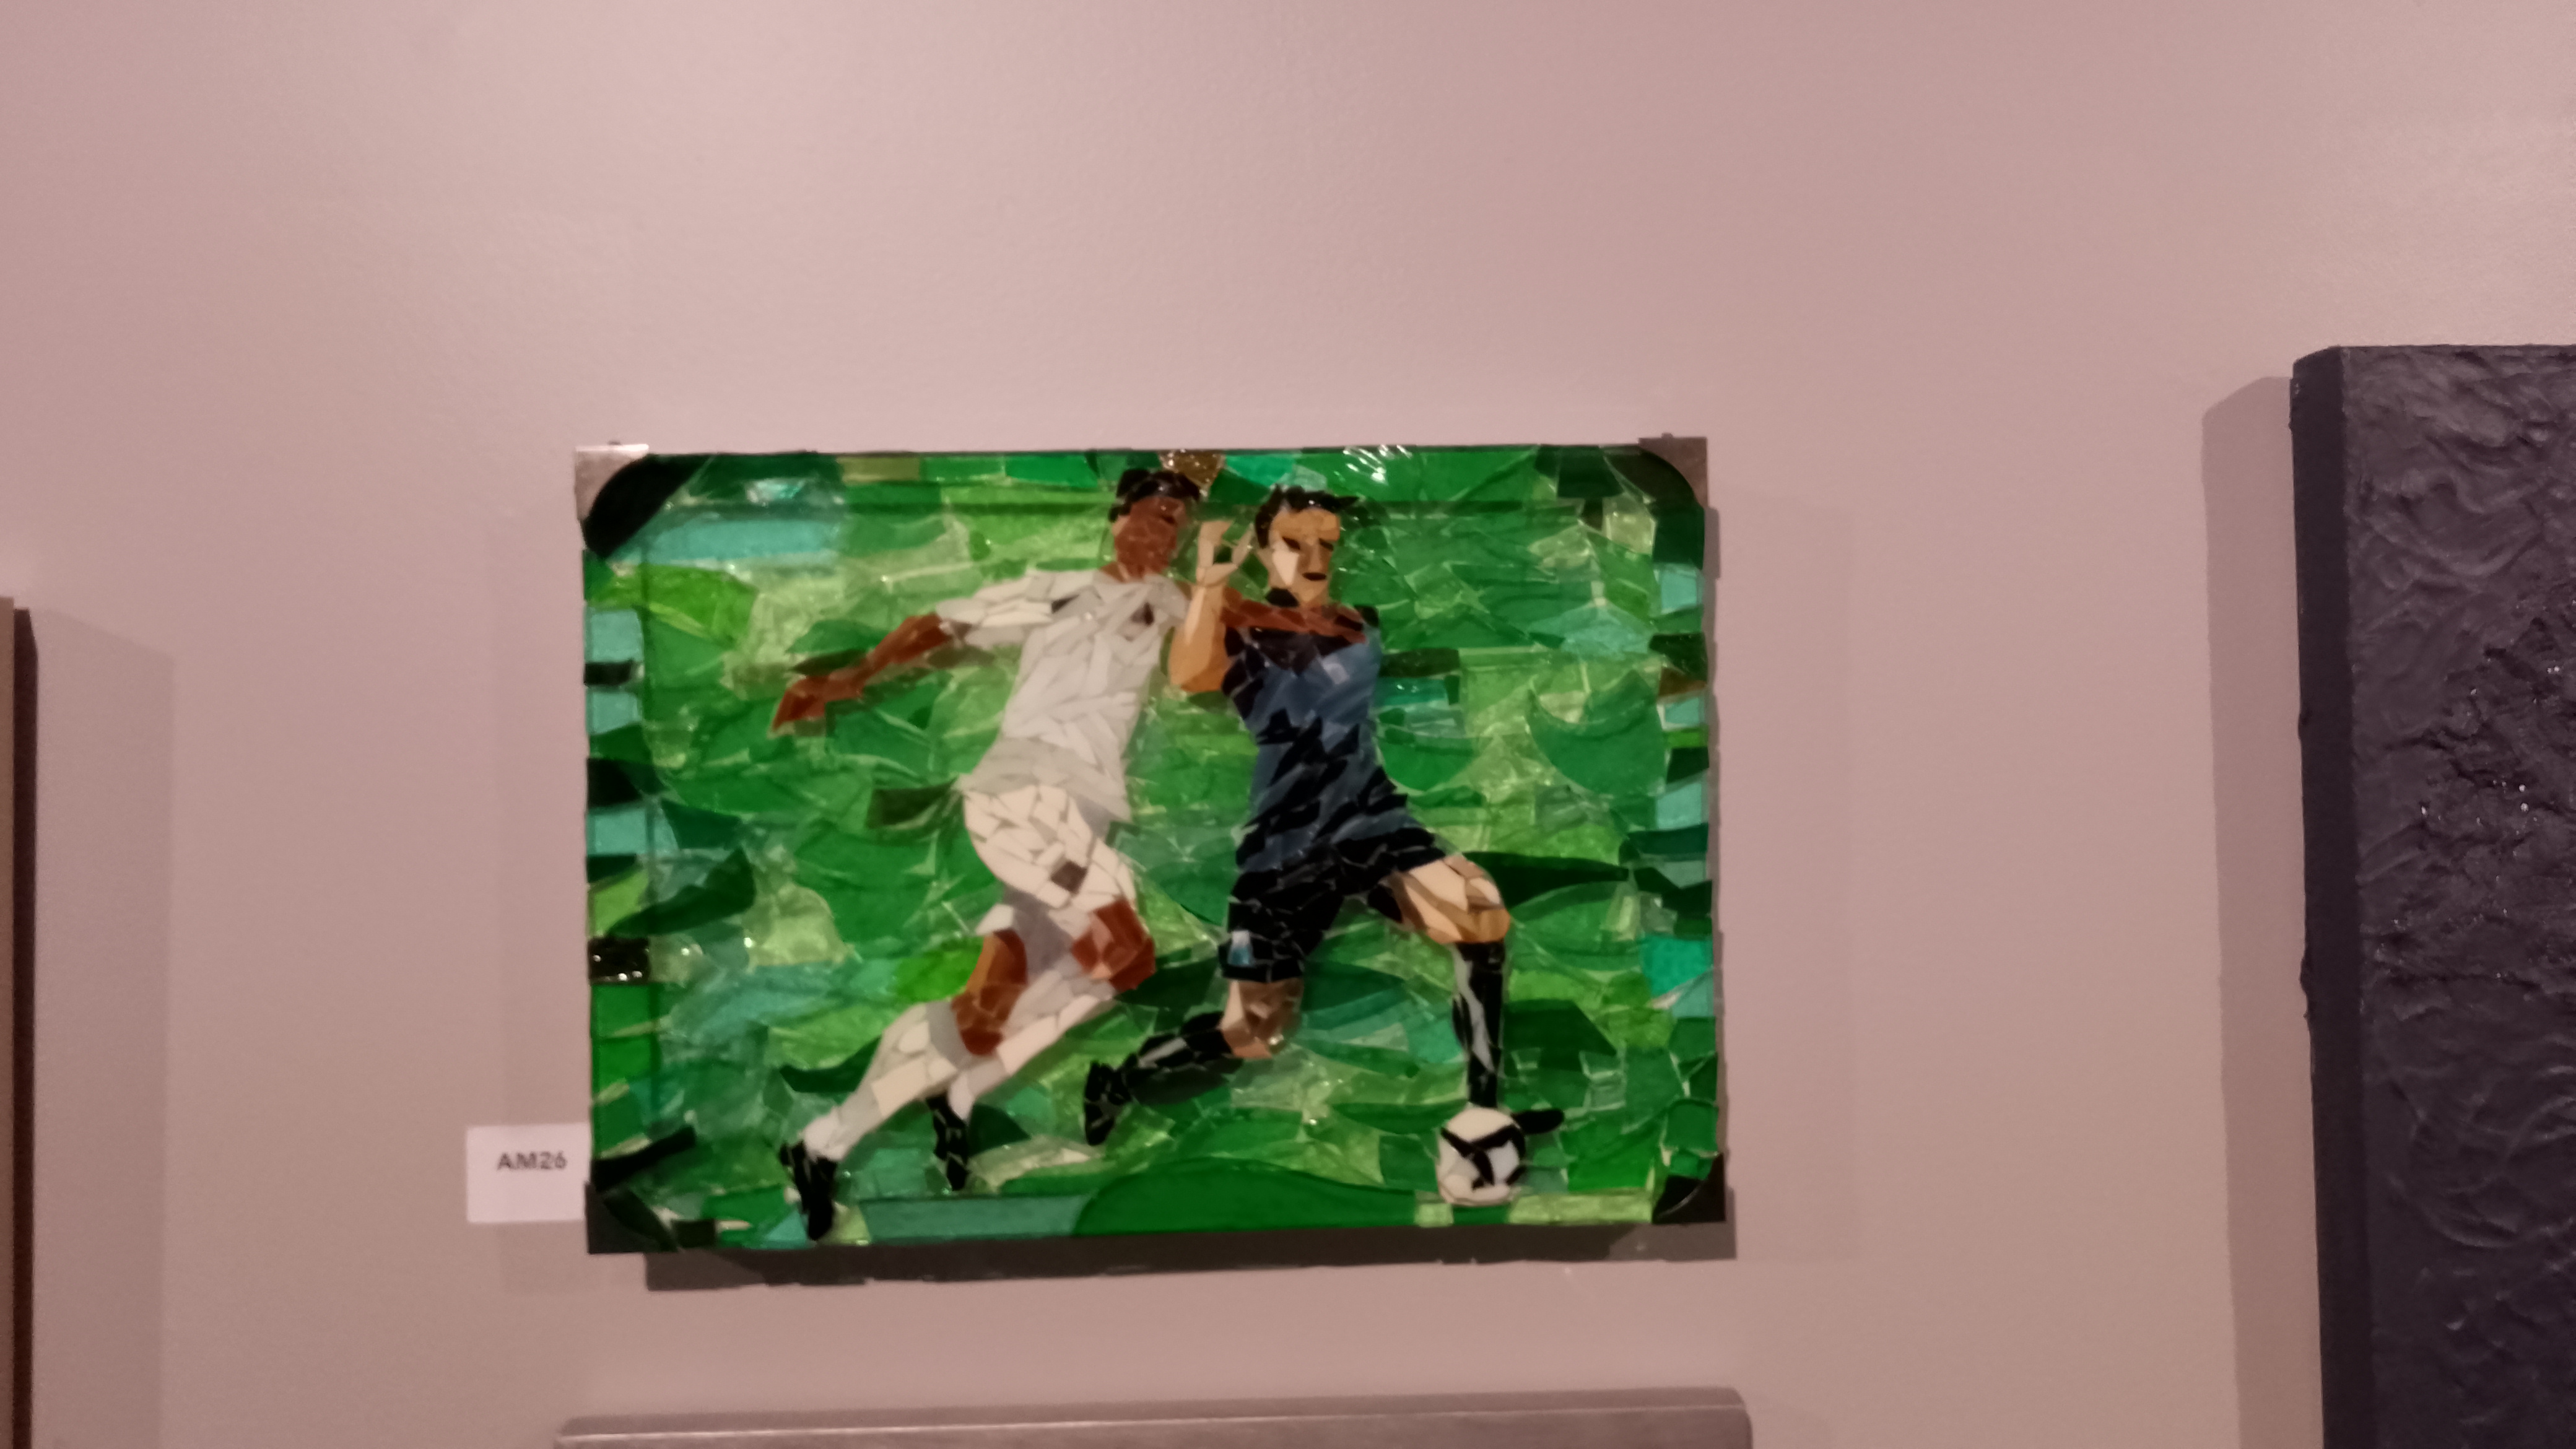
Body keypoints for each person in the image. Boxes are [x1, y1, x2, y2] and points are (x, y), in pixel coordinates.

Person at [1081, 485, 1560, 1204]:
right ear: (1262, 548)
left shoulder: (1358, 625)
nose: (1312, 559)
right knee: (1251, 1034)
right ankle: (1119, 1080)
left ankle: (1483, 1106)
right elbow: (1189, 676)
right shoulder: (1239, 627)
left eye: (1325, 544)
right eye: (1293, 544)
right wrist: (1208, 587)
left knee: (1478, 910)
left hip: (1372, 824)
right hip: (1286, 848)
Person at [772, 466, 1201, 1240]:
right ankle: (966, 1084)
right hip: (1025, 802)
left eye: (1174, 522)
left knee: (983, 1013)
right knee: (1126, 952)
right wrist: (852, 678)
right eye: (1150, 515)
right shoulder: (1059, 592)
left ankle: (826, 1141)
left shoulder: (1173, 603)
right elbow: (940, 623)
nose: (1160, 532)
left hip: (1079, 820)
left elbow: (1233, 623)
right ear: (1117, 519)